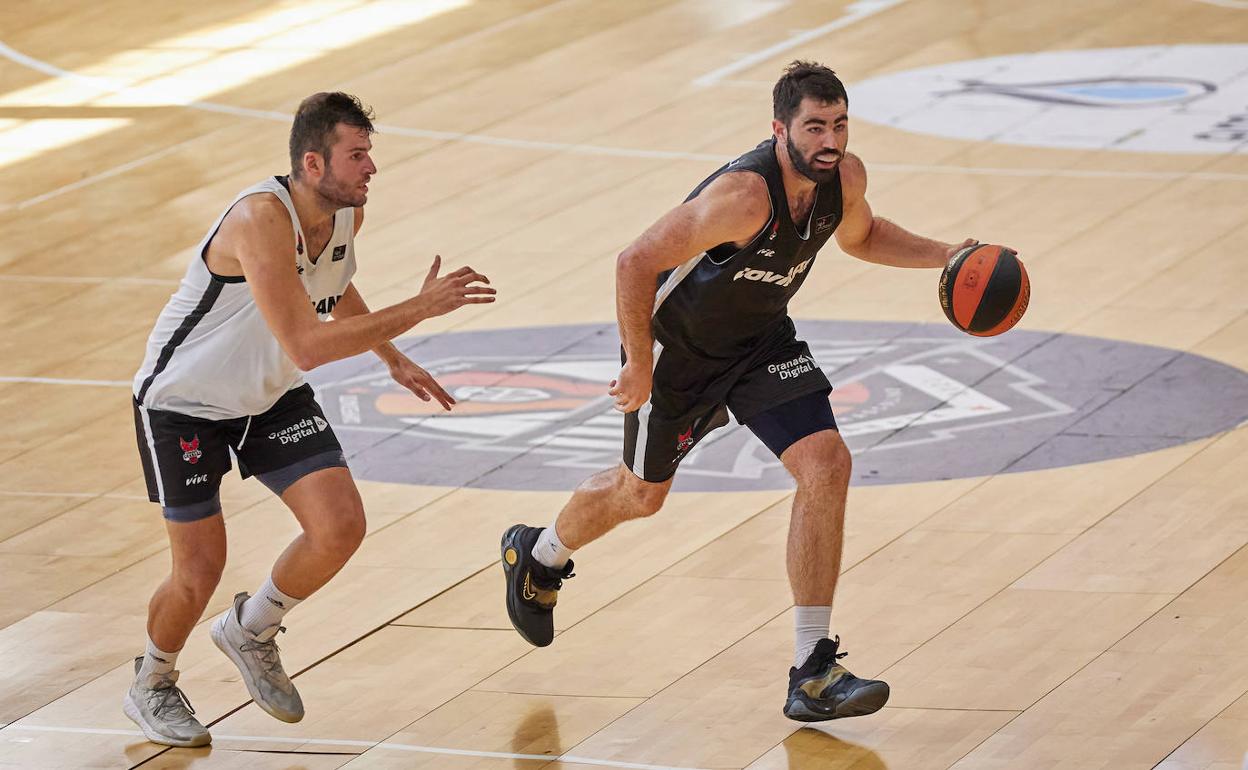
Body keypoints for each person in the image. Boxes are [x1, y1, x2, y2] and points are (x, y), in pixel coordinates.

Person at [500, 61, 984, 722]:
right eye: (814, 127)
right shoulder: (744, 198)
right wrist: (638, 363)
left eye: (839, 124)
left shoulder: (844, 179)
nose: (830, 141)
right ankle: (538, 555)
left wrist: (948, 254)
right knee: (641, 495)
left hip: (761, 343)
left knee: (826, 463)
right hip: (678, 355)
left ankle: (812, 669)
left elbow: (865, 236)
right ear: (779, 130)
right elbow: (634, 261)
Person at [126, 92, 494, 747]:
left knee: (339, 526)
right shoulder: (260, 219)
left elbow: (333, 283)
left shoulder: (345, 213)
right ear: (313, 163)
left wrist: (391, 356)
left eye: (369, 153)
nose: (371, 166)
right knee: (200, 569)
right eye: (358, 154)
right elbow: (306, 344)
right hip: (186, 405)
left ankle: (251, 630)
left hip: (269, 396)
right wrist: (419, 308)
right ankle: (151, 682)